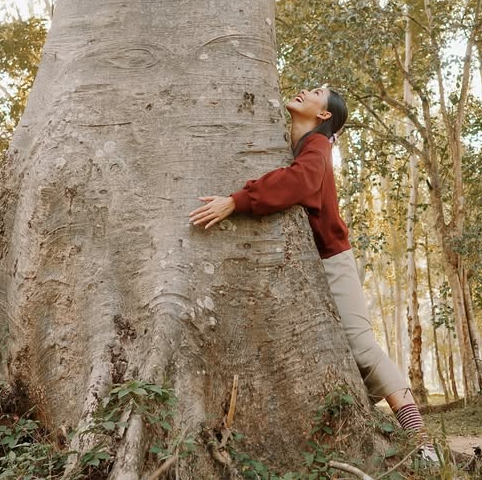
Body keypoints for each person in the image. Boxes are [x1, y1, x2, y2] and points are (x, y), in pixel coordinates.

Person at [188, 85, 439, 463]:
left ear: (324, 116)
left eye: (317, 92)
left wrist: (236, 201)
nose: (305, 90)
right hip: (313, 262)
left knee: (363, 348)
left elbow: (298, 183)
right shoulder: (295, 142)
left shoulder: (318, 147)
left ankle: (421, 439)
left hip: (332, 260)